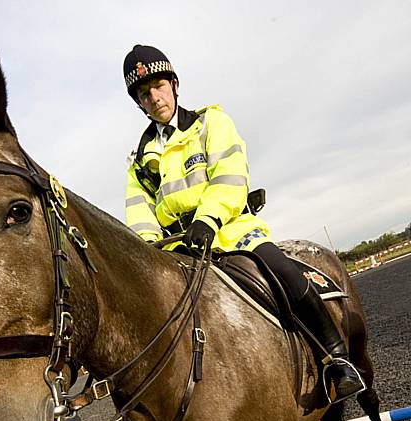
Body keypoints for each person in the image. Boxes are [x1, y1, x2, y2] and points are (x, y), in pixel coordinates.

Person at [122, 44, 364, 402]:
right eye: (144, 93)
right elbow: (138, 209)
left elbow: (230, 174)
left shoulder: (211, 122)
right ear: (139, 103)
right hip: (177, 248)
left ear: (175, 85)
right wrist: (149, 246)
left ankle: (337, 359)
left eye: (158, 86)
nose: (154, 97)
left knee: (282, 269)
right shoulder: (140, 160)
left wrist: (207, 219)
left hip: (230, 230)